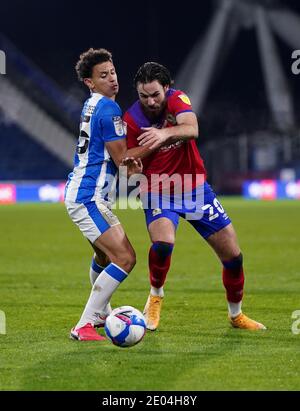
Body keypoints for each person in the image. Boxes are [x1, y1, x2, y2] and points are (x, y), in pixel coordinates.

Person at [123, 62, 266, 331]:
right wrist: (133, 170)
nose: (150, 101)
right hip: (158, 190)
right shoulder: (132, 120)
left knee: (234, 257)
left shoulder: (178, 99)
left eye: (155, 94)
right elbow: (129, 166)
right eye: (144, 96)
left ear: (166, 88)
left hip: (195, 189)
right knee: (164, 243)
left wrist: (163, 133)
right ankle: (155, 297)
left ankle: (236, 315)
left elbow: (191, 128)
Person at [64, 48, 144, 341]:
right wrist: (157, 141)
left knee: (103, 256)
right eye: (103, 75)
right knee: (125, 258)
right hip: (88, 197)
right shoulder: (108, 109)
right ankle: (84, 323)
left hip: (83, 193)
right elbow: (123, 159)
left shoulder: (92, 104)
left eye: (112, 72)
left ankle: (102, 314)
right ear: (89, 82)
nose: (112, 79)